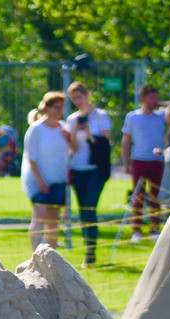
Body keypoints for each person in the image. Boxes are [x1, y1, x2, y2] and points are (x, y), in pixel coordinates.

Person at [66, 81, 112, 266]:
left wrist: (91, 135)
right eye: (73, 99)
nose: (77, 101)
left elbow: (106, 143)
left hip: (96, 170)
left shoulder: (101, 116)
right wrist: (76, 131)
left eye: (79, 97)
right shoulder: (72, 119)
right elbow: (73, 148)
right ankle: (87, 249)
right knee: (83, 211)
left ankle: (91, 251)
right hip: (78, 169)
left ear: (87, 95)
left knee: (90, 209)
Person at [22, 92, 72, 249]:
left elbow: (72, 151)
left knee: (53, 220)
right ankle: (35, 255)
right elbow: (32, 157)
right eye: (56, 107)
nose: (59, 110)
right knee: (40, 217)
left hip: (58, 178)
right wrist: (40, 181)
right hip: (38, 180)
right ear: (47, 108)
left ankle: (51, 256)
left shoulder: (64, 128)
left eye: (61, 107)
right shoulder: (36, 129)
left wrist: (71, 138)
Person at [121, 85, 167, 243]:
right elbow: (126, 142)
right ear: (142, 99)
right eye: (151, 98)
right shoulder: (132, 117)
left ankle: (154, 229)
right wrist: (126, 163)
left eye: (156, 97)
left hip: (157, 161)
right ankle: (137, 230)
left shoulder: (161, 116)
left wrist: (160, 104)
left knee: (155, 196)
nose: (154, 101)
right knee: (138, 196)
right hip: (139, 160)